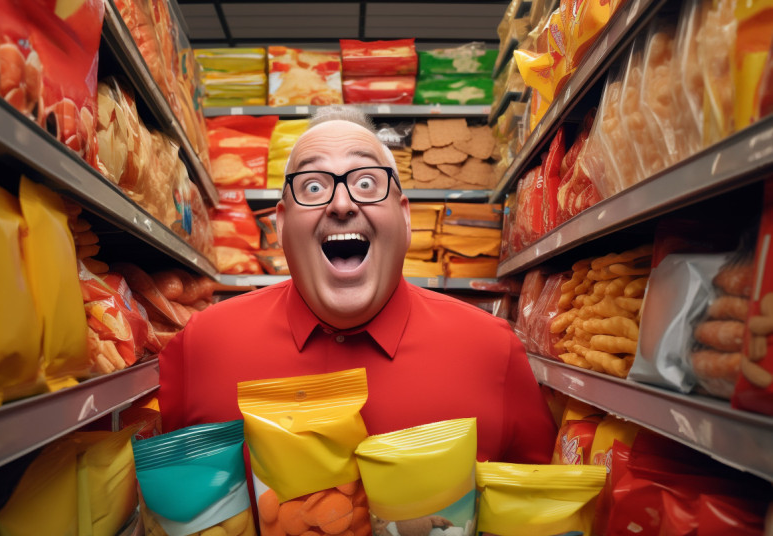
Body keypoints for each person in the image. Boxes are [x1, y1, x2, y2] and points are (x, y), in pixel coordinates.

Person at [159, 106, 557, 464]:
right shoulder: (202, 346)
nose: (342, 204)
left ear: (405, 219)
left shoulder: (491, 350)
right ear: (281, 224)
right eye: (313, 187)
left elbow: (540, 525)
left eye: (366, 183)